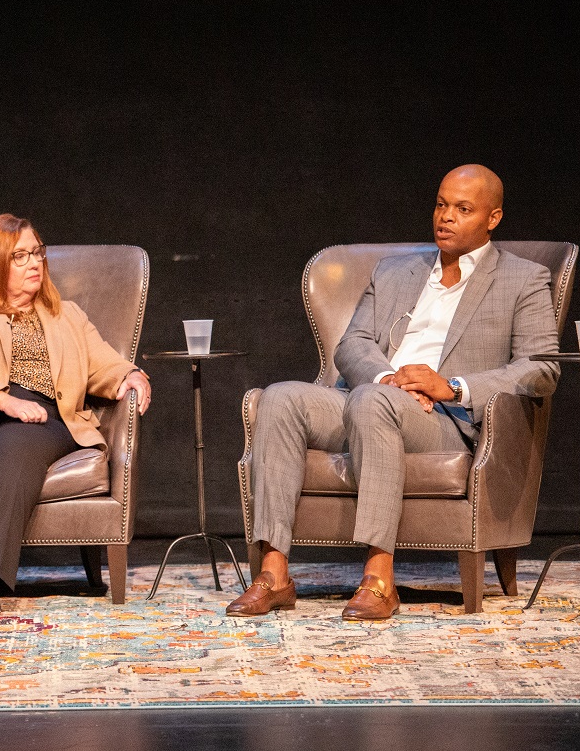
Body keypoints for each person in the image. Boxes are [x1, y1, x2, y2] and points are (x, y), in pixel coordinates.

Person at [228, 164, 561, 621]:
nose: (446, 216)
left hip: (445, 419)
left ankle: (379, 578)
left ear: (493, 218)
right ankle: (275, 574)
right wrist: (389, 379)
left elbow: (541, 369)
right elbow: (353, 344)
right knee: (281, 397)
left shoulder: (524, 279)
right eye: (441, 204)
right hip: (377, 395)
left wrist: (452, 387)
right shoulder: (395, 271)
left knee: (372, 401)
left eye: (463, 209)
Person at [0, 214, 152, 617]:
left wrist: (130, 374)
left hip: (44, 412)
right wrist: (0, 398)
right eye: (20, 256)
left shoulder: (66, 314)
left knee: (15, 443)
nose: (35, 262)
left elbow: (103, 363)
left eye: (37, 252)